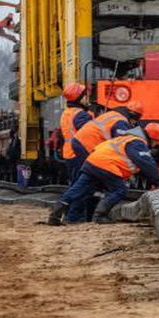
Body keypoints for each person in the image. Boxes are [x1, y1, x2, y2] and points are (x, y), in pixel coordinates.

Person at [48, 122, 159, 225]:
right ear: (153, 139)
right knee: (119, 190)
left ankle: (55, 215)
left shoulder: (126, 138)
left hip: (92, 162)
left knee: (78, 189)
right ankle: (99, 216)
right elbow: (145, 163)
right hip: (106, 165)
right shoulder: (137, 142)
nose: (155, 146)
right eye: (156, 143)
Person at [59, 82, 95, 222]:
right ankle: (74, 217)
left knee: (75, 185)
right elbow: (90, 134)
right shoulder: (81, 115)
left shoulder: (67, 113)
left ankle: (70, 215)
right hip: (79, 154)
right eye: (85, 95)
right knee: (81, 186)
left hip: (70, 153)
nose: (88, 98)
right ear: (79, 98)